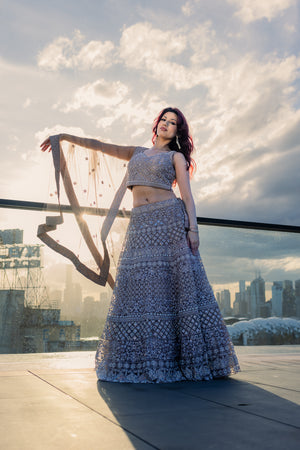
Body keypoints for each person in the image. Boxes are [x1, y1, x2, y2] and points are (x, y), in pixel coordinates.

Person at [41, 106, 240, 383]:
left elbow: (187, 196)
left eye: (173, 123)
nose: (166, 125)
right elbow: (99, 145)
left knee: (174, 288)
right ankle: (140, 359)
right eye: (163, 120)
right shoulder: (136, 152)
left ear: (177, 131)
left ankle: (186, 360)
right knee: (138, 289)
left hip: (170, 220)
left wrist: (193, 230)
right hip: (141, 224)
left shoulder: (176, 157)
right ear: (156, 124)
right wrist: (64, 137)